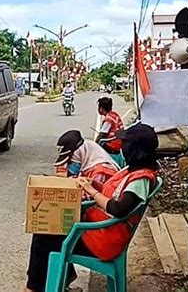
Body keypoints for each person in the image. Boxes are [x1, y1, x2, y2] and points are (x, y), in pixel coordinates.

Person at [25, 123, 160, 292]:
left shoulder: (140, 180)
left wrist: (91, 191)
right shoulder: (132, 171)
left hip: (103, 241)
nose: (121, 146)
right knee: (47, 230)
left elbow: (118, 209)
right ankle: (56, 282)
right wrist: (93, 184)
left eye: (125, 143)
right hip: (101, 233)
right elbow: (113, 194)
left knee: (45, 236)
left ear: (134, 149)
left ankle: (35, 288)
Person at [95, 97, 125, 167]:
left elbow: (102, 134)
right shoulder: (115, 115)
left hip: (111, 147)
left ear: (101, 108)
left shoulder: (108, 119)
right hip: (119, 146)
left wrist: (95, 144)